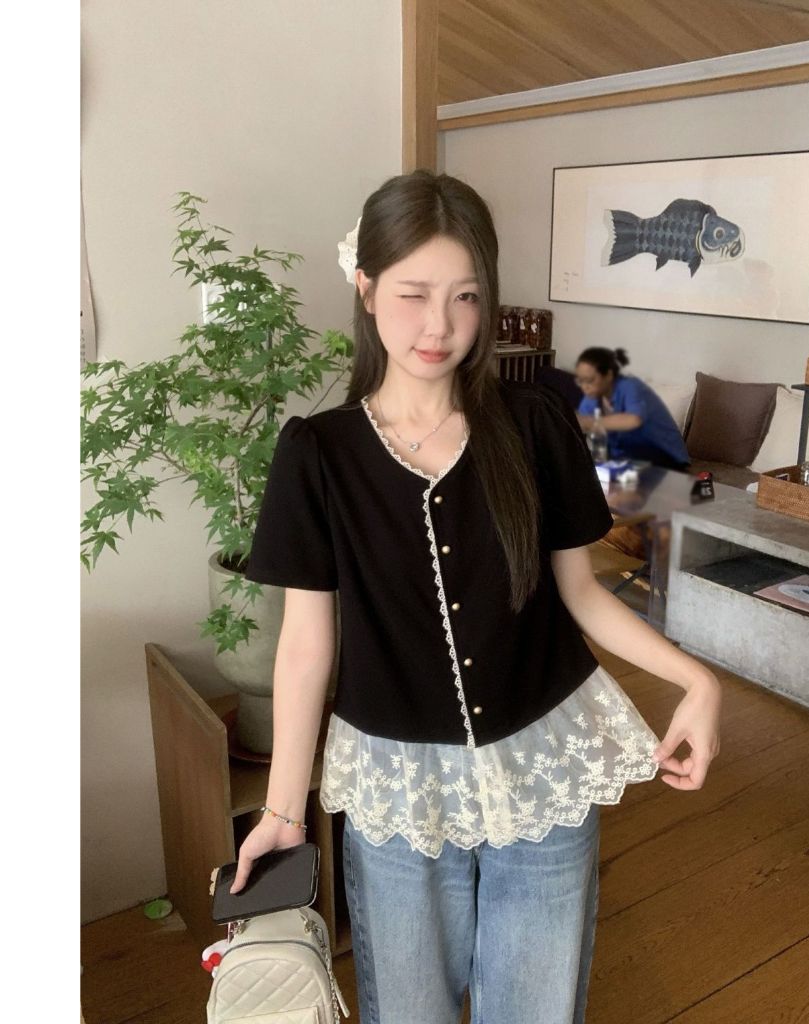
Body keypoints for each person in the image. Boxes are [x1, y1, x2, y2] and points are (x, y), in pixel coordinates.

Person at [230, 170, 721, 1024]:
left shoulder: (533, 425)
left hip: (544, 771)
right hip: (397, 792)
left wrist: (697, 680)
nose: (440, 325)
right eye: (413, 293)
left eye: (465, 296)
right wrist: (282, 810)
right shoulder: (317, 454)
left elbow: (581, 592)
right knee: (409, 1011)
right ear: (366, 287)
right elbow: (307, 644)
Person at [574, 348, 690, 470]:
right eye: (580, 381)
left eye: (590, 380)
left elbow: (634, 420)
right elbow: (580, 429)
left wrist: (590, 422)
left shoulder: (630, 386)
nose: (584, 387)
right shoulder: (590, 399)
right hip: (628, 460)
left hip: (667, 458)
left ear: (608, 375)